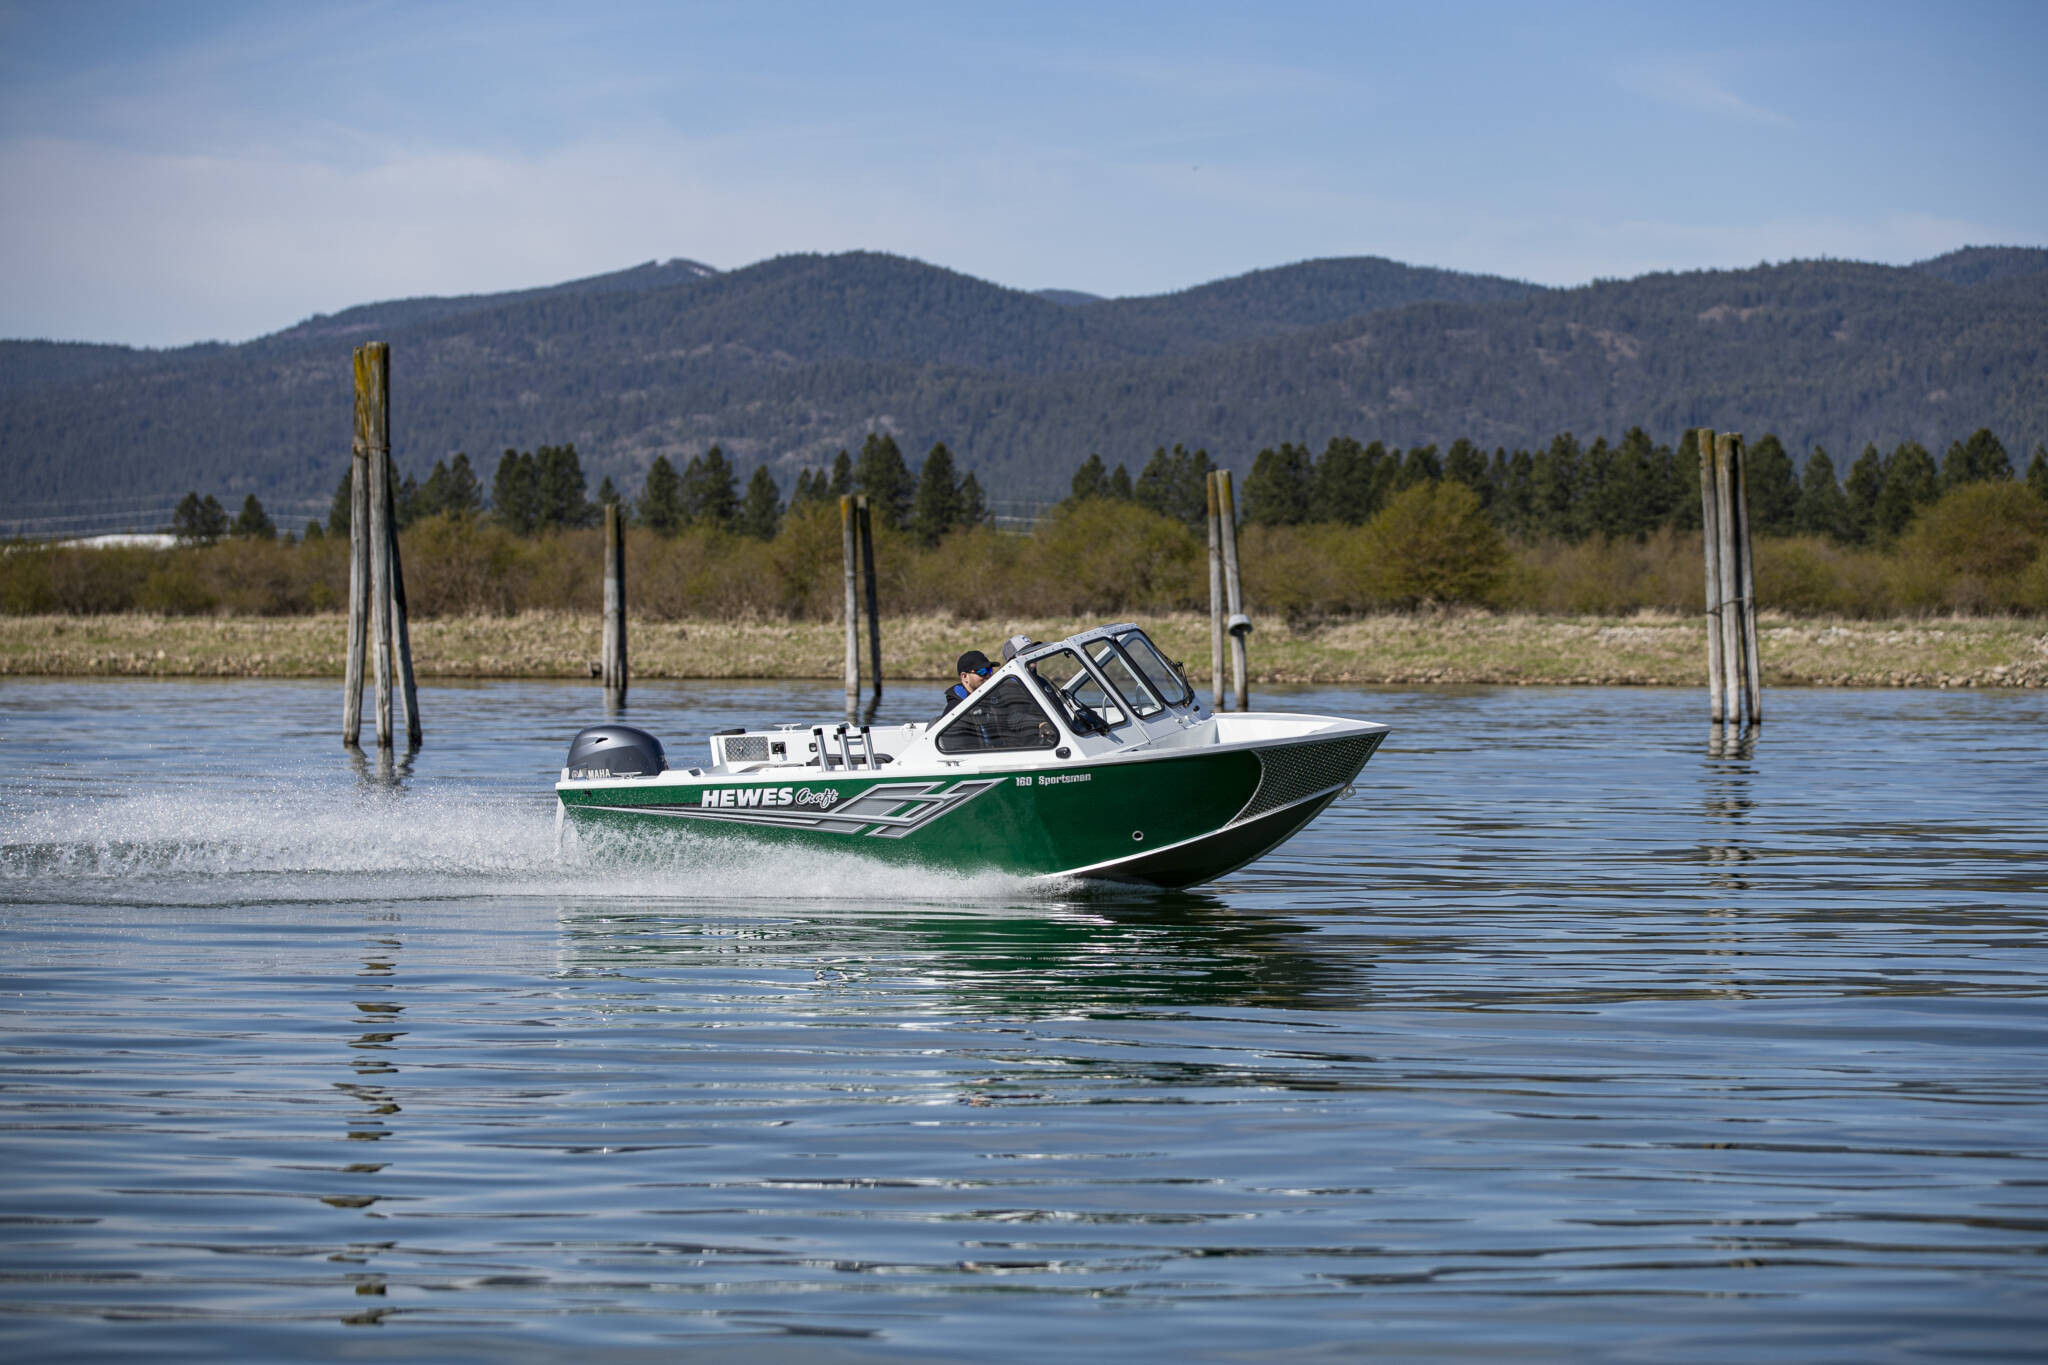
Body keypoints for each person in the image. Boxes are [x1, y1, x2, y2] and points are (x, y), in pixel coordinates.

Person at [939, 649, 995, 717]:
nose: (989, 675)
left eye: (990, 670)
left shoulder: (993, 698)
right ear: (964, 676)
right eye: (982, 671)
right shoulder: (955, 709)